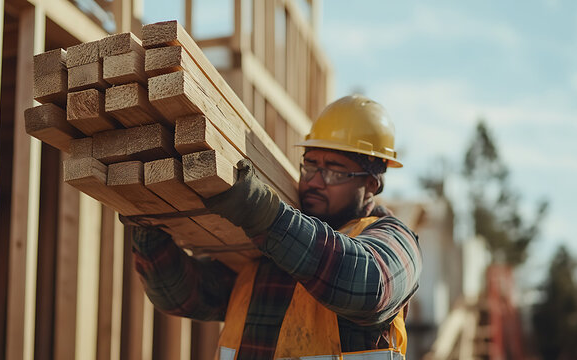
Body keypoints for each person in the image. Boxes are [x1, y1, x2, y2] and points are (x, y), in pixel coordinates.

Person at [125, 94, 422, 359]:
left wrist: (265, 215)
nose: (315, 181)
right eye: (310, 165)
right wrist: (147, 229)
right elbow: (182, 296)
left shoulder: (396, 241)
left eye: (334, 171)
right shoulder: (268, 249)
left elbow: (367, 287)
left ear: (371, 183)